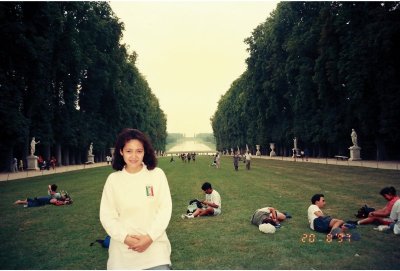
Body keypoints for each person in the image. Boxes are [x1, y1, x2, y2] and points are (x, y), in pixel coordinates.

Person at [100, 128, 172, 270]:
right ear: (121, 152)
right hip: (122, 256)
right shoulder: (113, 180)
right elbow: (107, 216)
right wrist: (125, 238)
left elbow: (165, 210)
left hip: (155, 253)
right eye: (129, 151)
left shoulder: (157, 175)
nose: (134, 156)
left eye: (139, 151)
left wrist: (149, 238)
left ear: (145, 152)